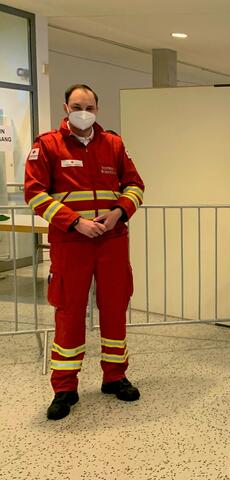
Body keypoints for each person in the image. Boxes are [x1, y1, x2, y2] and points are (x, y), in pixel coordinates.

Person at [24, 84, 145, 420]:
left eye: (89, 106)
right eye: (77, 105)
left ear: (97, 108)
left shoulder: (113, 144)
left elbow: (135, 185)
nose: (84, 111)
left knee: (115, 307)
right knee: (69, 311)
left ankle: (115, 377)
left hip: (112, 240)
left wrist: (119, 212)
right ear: (66, 107)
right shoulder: (47, 145)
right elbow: (34, 194)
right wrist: (74, 222)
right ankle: (64, 387)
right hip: (71, 242)